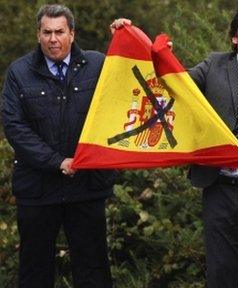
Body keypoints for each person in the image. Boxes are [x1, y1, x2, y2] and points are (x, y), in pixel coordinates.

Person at [111, 5, 238, 287]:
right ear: (235, 37)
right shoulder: (213, 65)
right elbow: (175, 84)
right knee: (220, 275)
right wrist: (154, 52)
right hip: (219, 188)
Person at [2, 4, 114, 287]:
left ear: (72, 34)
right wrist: (57, 162)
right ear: (38, 35)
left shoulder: (98, 64)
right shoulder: (19, 72)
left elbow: (130, 80)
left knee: (93, 269)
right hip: (37, 189)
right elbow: (15, 127)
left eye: (60, 32)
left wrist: (123, 36)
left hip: (87, 187)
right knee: (35, 270)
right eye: (47, 32)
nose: (53, 39)